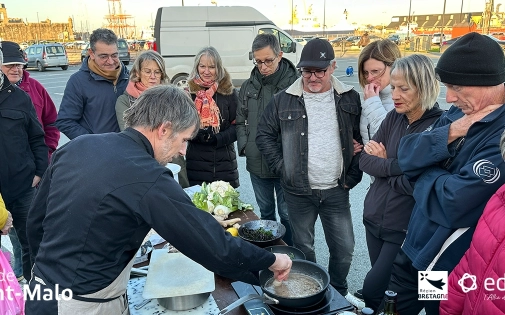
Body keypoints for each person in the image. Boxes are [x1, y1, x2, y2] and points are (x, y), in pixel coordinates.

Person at [26, 85, 292, 315]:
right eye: (184, 140)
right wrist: (270, 261)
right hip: (81, 304)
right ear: (164, 129)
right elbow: (213, 245)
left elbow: (36, 221)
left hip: (39, 292)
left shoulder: (78, 145)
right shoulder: (146, 174)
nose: (183, 151)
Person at [383, 32, 505, 314]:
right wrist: (454, 130)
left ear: (489, 82)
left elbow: (452, 203)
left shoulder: (500, 135)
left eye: (457, 87)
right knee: (392, 308)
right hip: (413, 245)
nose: (449, 97)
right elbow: (407, 153)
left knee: (432, 309)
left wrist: (421, 173)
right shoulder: (460, 113)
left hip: (441, 263)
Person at [256, 38, 364, 308]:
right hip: (298, 192)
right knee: (304, 250)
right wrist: (284, 168)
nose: (313, 77)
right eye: (307, 71)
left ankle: (338, 289)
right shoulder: (284, 100)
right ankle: (308, 294)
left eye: (320, 71)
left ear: (333, 67)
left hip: (337, 189)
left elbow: (363, 138)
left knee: (344, 249)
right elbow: (264, 135)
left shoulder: (349, 97)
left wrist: (351, 177)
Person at [359, 54, 444, 311]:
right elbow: (365, 160)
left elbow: (422, 185)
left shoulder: (440, 126)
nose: (394, 95)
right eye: (393, 87)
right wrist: (401, 167)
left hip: (407, 229)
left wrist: (387, 166)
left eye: (403, 88)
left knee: (376, 289)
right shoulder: (394, 117)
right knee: (388, 291)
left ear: (425, 86)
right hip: (374, 219)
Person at [1, 40, 60, 283]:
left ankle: (35, 298)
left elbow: (38, 136)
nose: (16, 69)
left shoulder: (20, 97)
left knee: (32, 244)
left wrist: (39, 171)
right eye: (10, 64)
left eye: (19, 64)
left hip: (21, 186)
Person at [236, 34, 298, 246]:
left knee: (288, 214)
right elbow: (241, 117)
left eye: (268, 60)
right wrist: (245, 146)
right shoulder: (248, 86)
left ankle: (290, 252)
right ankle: (271, 255)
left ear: (280, 55)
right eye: (258, 61)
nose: (263, 66)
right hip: (256, 162)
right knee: (266, 212)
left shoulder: (295, 85)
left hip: (285, 163)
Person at [439, 130, 505, 315]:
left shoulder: (493, 131)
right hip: (421, 250)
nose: (451, 99)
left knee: (427, 299)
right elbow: (409, 163)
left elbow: (454, 198)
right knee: (398, 293)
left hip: (442, 257)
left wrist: (427, 177)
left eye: (463, 97)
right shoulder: (452, 121)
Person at [115, 50, 190, 188]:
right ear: (137, 73)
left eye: (157, 72)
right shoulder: (125, 101)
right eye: (147, 71)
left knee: (180, 197)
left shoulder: (172, 97)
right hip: (143, 162)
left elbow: (181, 128)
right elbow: (129, 134)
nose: (153, 76)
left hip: (173, 158)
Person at [56, 28, 129, 140]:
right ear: (91, 53)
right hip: (97, 153)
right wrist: (92, 142)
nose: (110, 61)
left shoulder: (130, 77)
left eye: (114, 55)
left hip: (128, 150)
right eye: (104, 56)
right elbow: (65, 121)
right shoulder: (78, 82)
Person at [186, 46, 240, 187]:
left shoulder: (229, 92)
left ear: (218, 68)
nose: (206, 71)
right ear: (197, 67)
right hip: (196, 163)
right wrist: (199, 135)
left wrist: (217, 138)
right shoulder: (189, 93)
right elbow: (182, 128)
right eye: (202, 66)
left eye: (211, 67)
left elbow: (238, 126)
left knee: (225, 208)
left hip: (224, 164)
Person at [357, 39, 402, 146]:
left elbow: (391, 137)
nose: (369, 78)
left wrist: (372, 103)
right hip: (371, 162)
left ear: (394, 66)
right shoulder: (372, 96)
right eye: (366, 72)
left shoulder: (404, 98)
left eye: (375, 71)